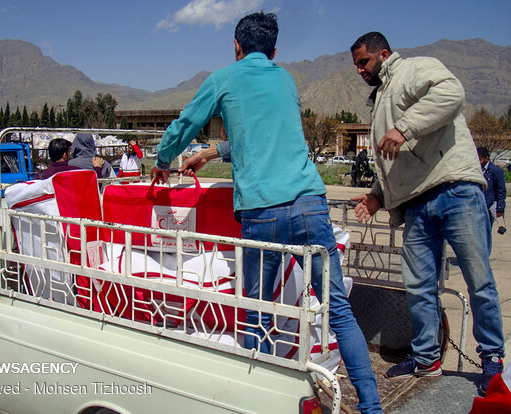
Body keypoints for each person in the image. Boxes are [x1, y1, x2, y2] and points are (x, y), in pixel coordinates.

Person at [151, 12, 381, 413]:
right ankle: (372, 405)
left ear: (236, 47)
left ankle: (262, 402)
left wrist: (164, 159)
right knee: (339, 310)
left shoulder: (223, 78)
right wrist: (213, 152)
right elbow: (265, 134)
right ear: (274, 51)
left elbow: (186, 124)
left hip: (263, 211)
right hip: (311, 205)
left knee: (257, 311)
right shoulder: (285, 79)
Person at [349, 32, 504, 392]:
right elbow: (393, 162)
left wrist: (404, 127)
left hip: (455, 189)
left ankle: (492, 360)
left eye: (363, 62)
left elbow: (451, 94)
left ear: (383, 54)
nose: (359, 70)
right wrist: (375, 196)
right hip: (416, 204)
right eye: (356, 65)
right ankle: (426, 358)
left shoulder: (414, 70)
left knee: (478, 279)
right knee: (419, 286)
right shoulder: (380, 101)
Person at [477, 147, 506, 230]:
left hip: (488, 208)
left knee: (485, 233)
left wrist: (500, 209)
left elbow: (501, 191)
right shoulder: (475, 170)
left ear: (487, 158)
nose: (478, 162)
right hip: (475, 207)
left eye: (480, 159)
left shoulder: (496, 171)